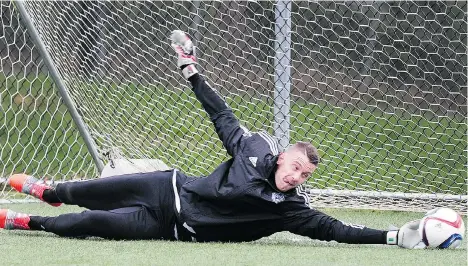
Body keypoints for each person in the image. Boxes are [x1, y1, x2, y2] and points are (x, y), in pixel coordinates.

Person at [0, 30, 423, 248]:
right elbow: (221, 114)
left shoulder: (290, 210)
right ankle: (52, 191)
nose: (298, 177)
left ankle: (27, 221)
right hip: (165, 186)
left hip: (171, 227)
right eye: (296, 167)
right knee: (81, 192)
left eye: (305, 175)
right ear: (281, 158)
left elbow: (335, 230)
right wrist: (190, 69)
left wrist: (391, 236)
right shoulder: (253, 149)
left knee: (89, 222)